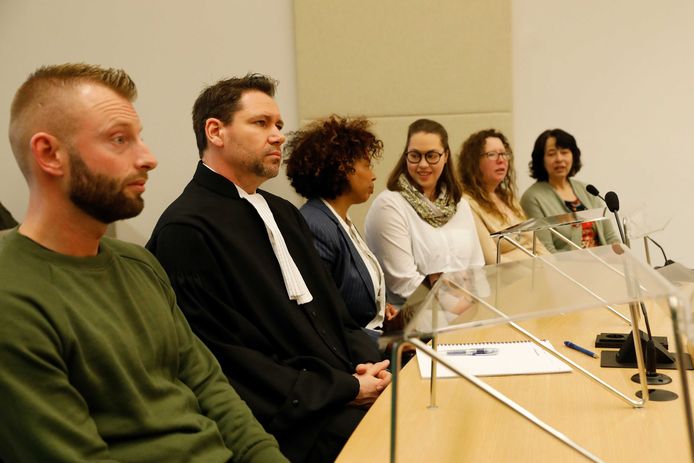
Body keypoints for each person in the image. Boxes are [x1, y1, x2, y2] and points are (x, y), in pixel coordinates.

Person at [0, 63, 286, 462]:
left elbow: (212, 390)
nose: (148, 158)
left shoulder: (139, 264)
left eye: (139, 139)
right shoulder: (11, 295)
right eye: (119, 140)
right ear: (49, 154)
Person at [146, 75, 390, 463]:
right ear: (216, 131)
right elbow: (228, 360)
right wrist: (345, 388)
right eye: (261, 123)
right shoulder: (187, 229)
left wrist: (372, 367)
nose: (278, 136)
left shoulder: (282, 213)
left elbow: (333, 316)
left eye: (278, 125)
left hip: (337, 388)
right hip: (285, 421)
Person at [284, 115, 398, 339]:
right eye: (366, 165)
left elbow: (351, 294)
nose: (373, 175)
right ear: (342, 169)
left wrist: (381, 311)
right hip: (353, 357)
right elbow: (324, 319)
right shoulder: (316, 226)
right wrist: (387, 342)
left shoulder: (337, 219)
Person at [364, 119, 484, 308]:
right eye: (415, 156)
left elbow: (477, 267)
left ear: (446, 156)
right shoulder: (389, 205)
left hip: (465, 311)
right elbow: (403, 283)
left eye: (431, 156)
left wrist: (475, 303)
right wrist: (456, 307)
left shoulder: (460, 204)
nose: (422, 164)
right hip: (416, 319)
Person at [520, 128, 619, 252]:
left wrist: (622, 255)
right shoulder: (532, 198)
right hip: (566, 268)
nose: (559, 159)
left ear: (573, 155)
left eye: (564, 152)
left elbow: (610, 236)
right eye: (551, 154)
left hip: (605, 263)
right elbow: (545, 249)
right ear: (541, 159)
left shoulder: (587, 190)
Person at [458, 129, 548, 264]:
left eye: (504, 153)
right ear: (474, 162)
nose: (501, 160)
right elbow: (492, 259)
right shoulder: (467, 203)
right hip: (507, 279)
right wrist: (533, 271)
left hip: (535, 271)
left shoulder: (507, 197)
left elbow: (536, 242)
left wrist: (553, 265)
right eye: (492, 154)